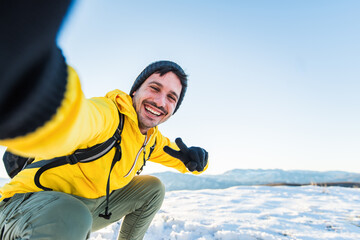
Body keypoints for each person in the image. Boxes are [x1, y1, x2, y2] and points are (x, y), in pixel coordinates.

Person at [0, 1, 208, 239]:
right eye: (154, 88)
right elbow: (78, 120)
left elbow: (181, 158)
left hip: (87, 208)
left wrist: (197, 160)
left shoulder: (151, 139)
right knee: (72, 216)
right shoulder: (109, 114)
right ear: (135, 91)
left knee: (152, 189)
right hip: (24, 206)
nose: (160, 102)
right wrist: (39, 102)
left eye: (171, 97)